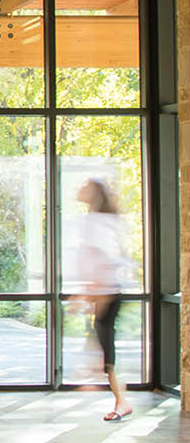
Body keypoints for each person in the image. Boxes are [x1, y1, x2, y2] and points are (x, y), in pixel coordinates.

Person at [74, 178, 131, 421]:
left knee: (106, 352)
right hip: (104, 292)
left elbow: (100, 258)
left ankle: (122, 402)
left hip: (107, 292)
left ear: (94, 193)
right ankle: (116, 395)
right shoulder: (98, 220)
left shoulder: (97, 222)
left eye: (84, 185)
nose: (79, 188)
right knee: (103, 348)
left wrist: (93, 296)